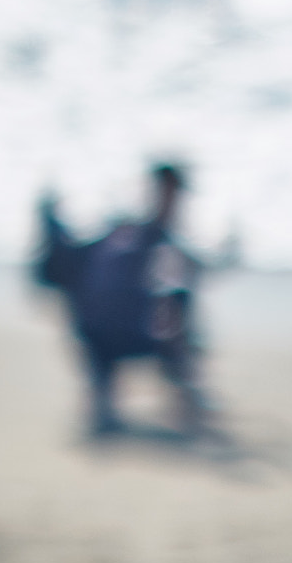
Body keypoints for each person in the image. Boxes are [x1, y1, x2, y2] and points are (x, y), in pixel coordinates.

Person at [33, 163, 212, 438]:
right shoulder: (153, 239)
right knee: (178, 301)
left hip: (96, 338)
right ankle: (184, 394)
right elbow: (179, 284)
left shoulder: (114, 231)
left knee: (167, 303)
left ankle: (105, 398)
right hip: (130, 335)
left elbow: (62, 268)